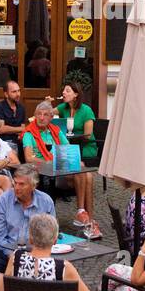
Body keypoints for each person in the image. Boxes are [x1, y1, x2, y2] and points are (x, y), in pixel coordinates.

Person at [24, 101, 102, 240]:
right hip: (44, 174)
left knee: (87, 173)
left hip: (61, 172)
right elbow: (29, 158)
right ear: (35, 116)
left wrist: (76, 160)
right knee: (86, 175)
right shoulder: (29, 133)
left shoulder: (55, 130)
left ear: (50, 117)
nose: (41, 118)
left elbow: (67, 149)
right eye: (39, 114)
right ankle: (86, 220)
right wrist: (51, 162)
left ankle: (83, 214)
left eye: (45, 115)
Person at [0, 164, 56, 271]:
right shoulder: (4, 200)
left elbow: (51, 234)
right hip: (7, 254)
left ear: (33, 186)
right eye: (15, 183)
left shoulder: (46, 201)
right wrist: (13, 256)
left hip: (38, 254)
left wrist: (36, 256)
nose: (16, 187)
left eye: (22, 184)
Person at [53, 82, 97, 225]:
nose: (64, 93)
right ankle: (87, 217)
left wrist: (69, 138)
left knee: (82, 173)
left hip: (85, 147)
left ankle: (83, 214)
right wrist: (47, 104)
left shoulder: (86, 110)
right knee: (88, 176)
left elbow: (88, 135)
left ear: (76, 94)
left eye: (67, 91)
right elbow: (45, 114)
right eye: (63, 90)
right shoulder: (63, 108)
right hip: (69, 149)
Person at [0, 80, 27, 145]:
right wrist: (20, 129)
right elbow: (1, 129)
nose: (18, 94)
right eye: (14, 92)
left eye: (19, 91)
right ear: (6, 94)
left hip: (18, 142)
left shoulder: (21, 108)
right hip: (1, 143)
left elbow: (22, 130)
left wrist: (14, 130)